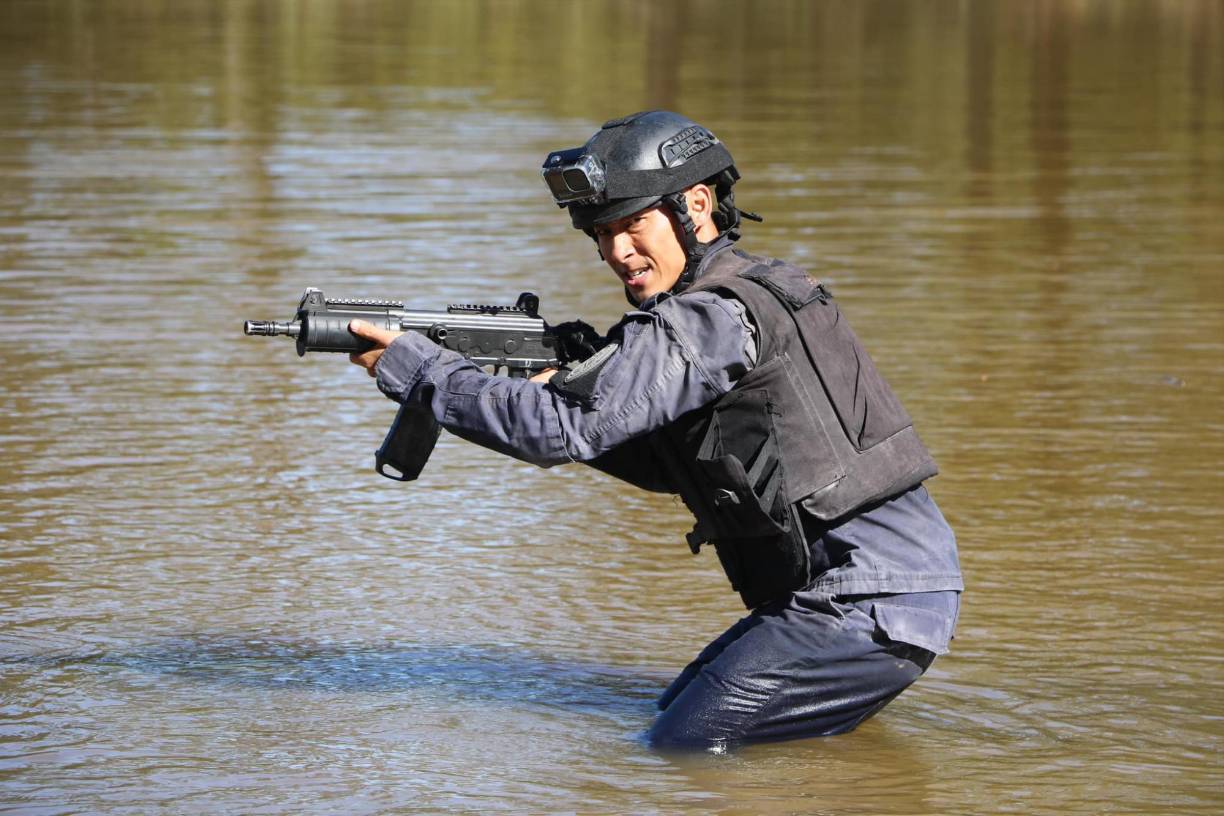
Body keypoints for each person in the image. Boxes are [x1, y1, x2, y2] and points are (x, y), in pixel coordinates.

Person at [348, 110, 963, 750]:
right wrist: (565, 387)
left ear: (696, 205)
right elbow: (666, 466)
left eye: (633, 224)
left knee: (676, 752)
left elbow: (556, 433)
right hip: (871, 598)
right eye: (601, 234)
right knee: (675, 715)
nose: (617, 252)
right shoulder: (743, 293)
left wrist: (419, 370)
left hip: (861, 603)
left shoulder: (709, 316)